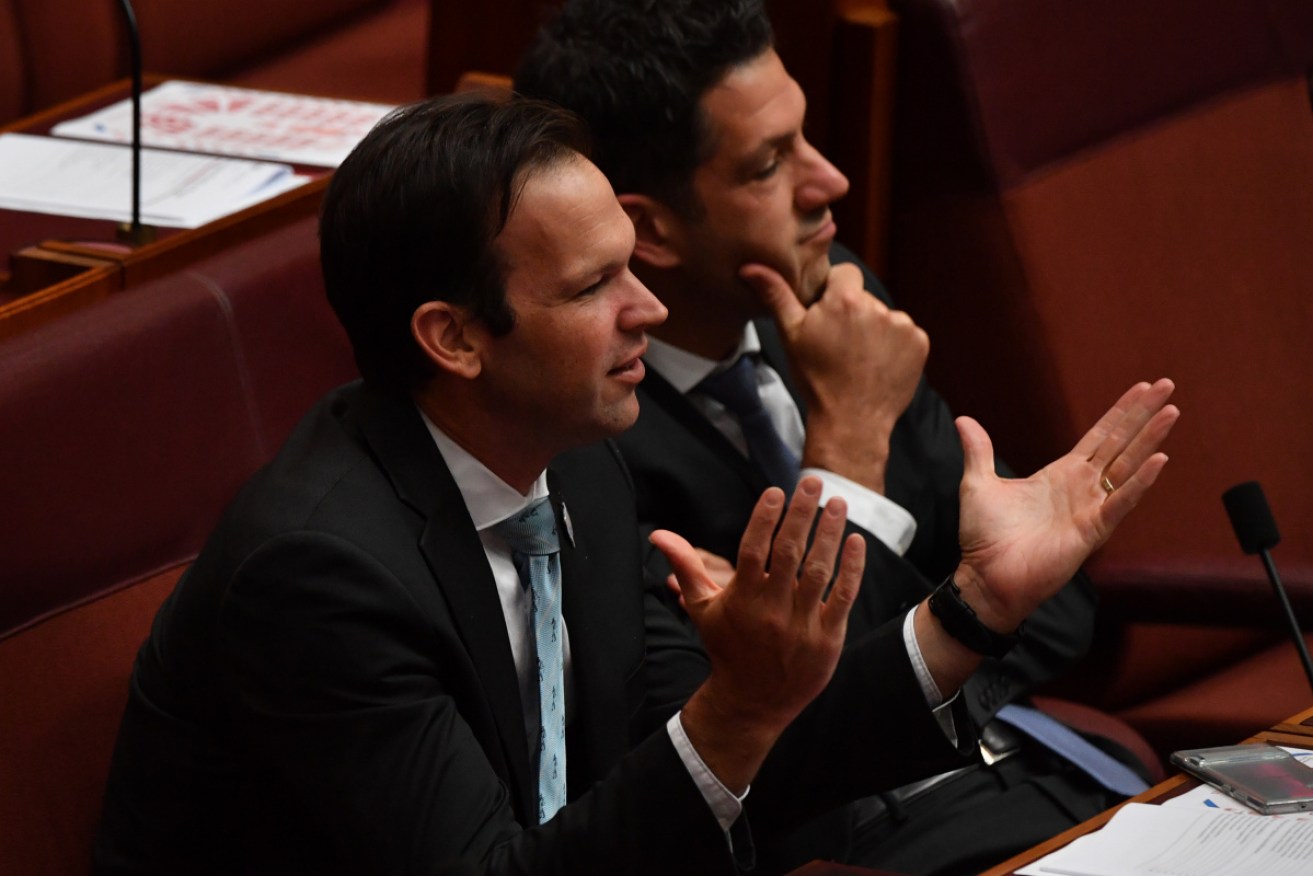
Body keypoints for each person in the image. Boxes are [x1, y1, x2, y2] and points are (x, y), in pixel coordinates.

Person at [93, 92, 1177, 875]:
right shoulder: (319, 574)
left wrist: (971, 609)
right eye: (593, 285)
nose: (647, 311)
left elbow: (737, 752)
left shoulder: (577, 466)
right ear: (455, 337)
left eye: (633, 266)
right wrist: (737, 709)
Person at [514, 2, 1169, 872]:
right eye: (768, 164)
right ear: (651, 230)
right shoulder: (590, 442)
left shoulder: (835, 297)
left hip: (1047, 783)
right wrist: (850, 447)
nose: (829, 183)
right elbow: (797, 744)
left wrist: (962, 636)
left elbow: (1055, 609)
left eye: (804, 138)